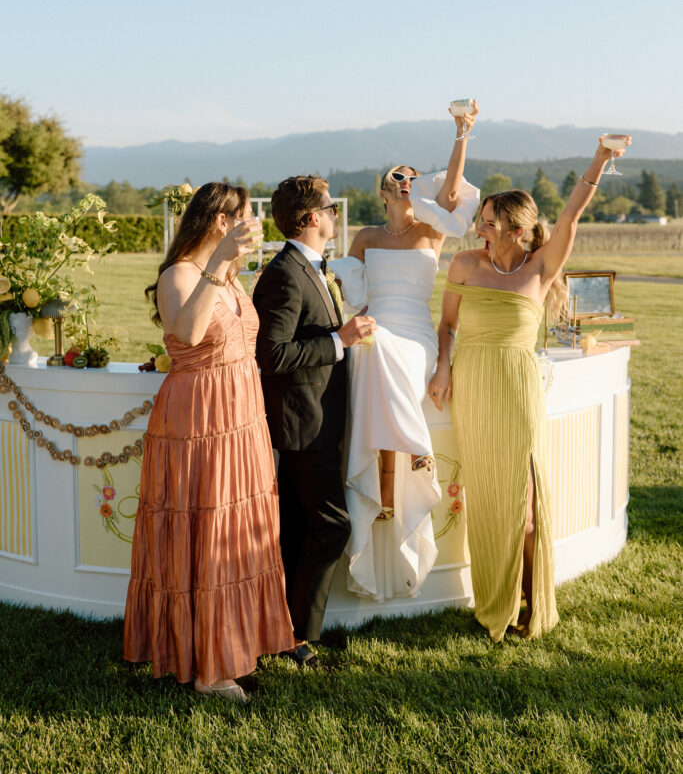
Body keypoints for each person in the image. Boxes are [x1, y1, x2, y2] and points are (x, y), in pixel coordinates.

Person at [428, 136, 631, 640]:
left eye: (489, 223)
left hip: (518, 389)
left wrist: (600, 159)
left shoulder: (540, 268)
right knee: (488, 500)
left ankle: (531, 602)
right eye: (481, 221)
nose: (479, 230)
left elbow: (570, 218)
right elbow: (447, 325)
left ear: (517, 231)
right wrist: (443, 367)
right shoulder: (465, 264)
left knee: (527, 510)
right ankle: (497, 598)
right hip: (473, 388)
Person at [123, 182, 294, 701]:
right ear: (220, 221)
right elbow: (190, 334)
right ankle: (206, 668)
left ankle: (237, 644)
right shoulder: (178, 275)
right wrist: (218, 263)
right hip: (198, 419)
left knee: (238, 530)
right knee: (208, 529)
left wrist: (228, 267)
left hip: (242, 417)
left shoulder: (233, 275)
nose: (250, 224)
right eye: (243, 215)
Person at [329, 104, 480, 601]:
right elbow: (351, 290)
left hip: (414, 336)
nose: (406, 183)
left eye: (412, 178)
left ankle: (404, 477)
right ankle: (379, 488)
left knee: (380, 348)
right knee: (369, 345)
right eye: (397, 178)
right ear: (382, 192)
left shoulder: (432, 230)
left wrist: (461, 134)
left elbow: (452, 193)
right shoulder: (366, 236)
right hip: (376, 329)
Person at [252, 175, 375, 666]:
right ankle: (298, 634)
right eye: (329, 208)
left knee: (301, 528)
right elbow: (272, 354)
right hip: (303, 424)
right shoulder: (284, 273)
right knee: (330, 526)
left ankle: (284, 631)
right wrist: (340, 340)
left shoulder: (310, 268)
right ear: (310, 218)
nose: (335, 215)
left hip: (319, 419)